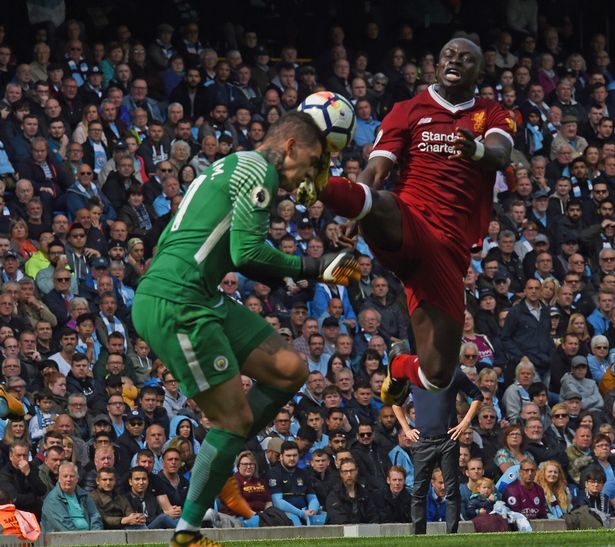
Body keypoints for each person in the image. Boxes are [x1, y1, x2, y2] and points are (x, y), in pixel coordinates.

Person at [132, 111, 359, 547]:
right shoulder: (260, 170)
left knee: (290, 368)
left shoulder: (229, 165)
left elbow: (184, 240)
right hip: (179, 303)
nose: (307, 177)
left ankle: (225, 446)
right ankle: (188, 531)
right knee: (233, 420)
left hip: (197, 294)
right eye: (311, 161)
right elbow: (247, 251)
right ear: (290, 146)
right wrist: (316, 266)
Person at [315, 37, 513, 399]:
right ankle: (315, 181)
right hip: (409, 222)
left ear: (479, 71)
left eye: (466, 58)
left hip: (448, 250)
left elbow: (501, 154)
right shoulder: (407, 109)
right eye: (448, 55)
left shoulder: (491, 113)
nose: (455, 60)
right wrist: (357, 211)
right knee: (384, 200)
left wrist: (477, 149)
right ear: (436, 66)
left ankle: (399, 365)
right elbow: (376, 170)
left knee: (438, 374)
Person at [392, 366, 483, 534]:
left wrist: (465, 422)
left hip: (448, 439)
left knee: (452, 489)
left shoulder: (452, 373)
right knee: (419, 490)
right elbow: (396, 404)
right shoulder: (414, 375)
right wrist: (406, 428)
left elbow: (477, 395)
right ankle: (419, 535)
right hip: (423, 441)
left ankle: (452, 534)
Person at [41, 462, 103, 532]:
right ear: (59, 478)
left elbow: (95, 516)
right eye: (65, 476)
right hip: (62, 540)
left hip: (88, 538)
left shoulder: (84, 495)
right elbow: (65, 526)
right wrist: (84, 540)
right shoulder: (52, 500)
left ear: (77, 478)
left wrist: (95, 535)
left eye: (72, 476)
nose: (68, 479)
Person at [325, 457, 378, 524]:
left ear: (357, 471)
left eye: (351, 471)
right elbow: (339, 519)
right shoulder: (334, 495)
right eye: (345, 471)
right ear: (340, 473)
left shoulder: (365, 494)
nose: (349, 475)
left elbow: (373, 517)